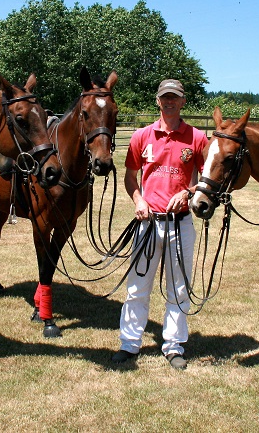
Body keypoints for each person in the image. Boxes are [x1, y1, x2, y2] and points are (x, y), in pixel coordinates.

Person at [111, 78, 208, 370]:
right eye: (164, 98)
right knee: (137, 286)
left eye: (174, 98)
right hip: (149, 222)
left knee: (179, 287)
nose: (169, 102)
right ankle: (129, 344)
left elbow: (205, 180)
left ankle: (174, 345)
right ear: (157, 101)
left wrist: (188, 193)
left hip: (181, 224)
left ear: (182, 101)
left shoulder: (197, 138)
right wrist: (138, 200)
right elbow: (130, 176)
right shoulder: (142, 135)